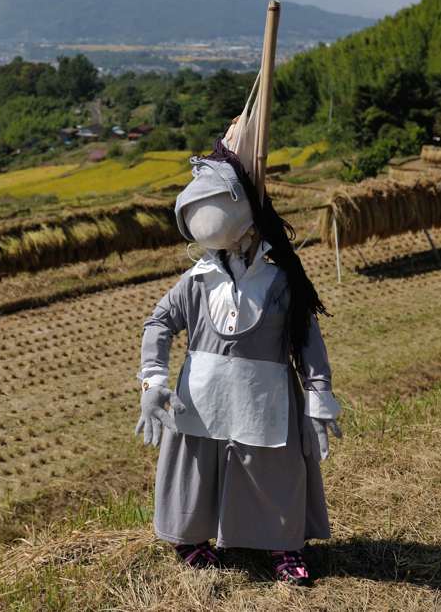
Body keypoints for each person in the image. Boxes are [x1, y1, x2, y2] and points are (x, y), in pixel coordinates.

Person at [134, 139, 341, 584]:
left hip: (263, 396)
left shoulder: (283, 280)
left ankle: (284, 546)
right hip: (201, 395)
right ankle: (190, 538)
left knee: (274, 472)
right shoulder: (197, 280)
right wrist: (153, 382)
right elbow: (158, 323)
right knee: (195, 469)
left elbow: (306, 339)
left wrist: (319, 394)